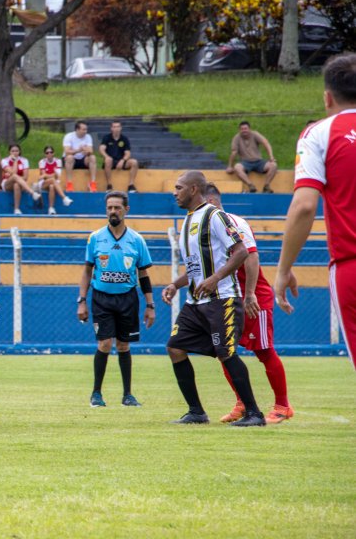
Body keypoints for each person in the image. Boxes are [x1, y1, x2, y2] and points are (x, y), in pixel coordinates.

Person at [161, 170, 265, 426]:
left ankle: (254, 413)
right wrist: (175, 284)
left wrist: (216, 278)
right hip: (195, 302)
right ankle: (196, 411)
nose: (174, 192)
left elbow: (240, 252)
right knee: (175, 347)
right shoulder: (188, 221)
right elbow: (197, 268)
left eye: (179, 187)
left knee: (226, 353)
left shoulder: (215, 216)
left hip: (223, 299)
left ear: (194, 189)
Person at [275, 53, 356, 370]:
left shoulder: (318, 134)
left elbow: (305, 205)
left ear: (327, 97)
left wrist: (283, 269)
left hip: (351, 265)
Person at [203, 183, 293, 423]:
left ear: (210, 203)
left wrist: (250, 294)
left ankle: (283, 406)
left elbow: (251, 256)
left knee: (263, 351)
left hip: (252, 298)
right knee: (224, 351)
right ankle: (241, 403)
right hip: (226, 298)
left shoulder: (234, 222)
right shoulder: (204, 228)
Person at [78, 191, 154, 408]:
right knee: (104, 343)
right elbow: (86, 271)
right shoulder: (95, 238)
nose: (113, 211)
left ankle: (128, 395)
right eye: (109, 207)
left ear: (126, 210)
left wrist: (150, 305)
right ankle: (96, 394)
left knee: (123, 345)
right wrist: (81, 300)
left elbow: (143, 275)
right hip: (101, 297)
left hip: (128, 298)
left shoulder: (137, 240)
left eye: (117, 207)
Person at [227, 121, 277, 193]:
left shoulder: (255, 134)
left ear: (249, 129)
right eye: (242, 129)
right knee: (237, 167)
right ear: (239, 130)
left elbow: (266, 143)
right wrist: (230, 166)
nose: (244, 130)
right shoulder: (236, 138)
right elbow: (234, 152)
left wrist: (271, 157)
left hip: (258, 161)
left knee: (273, 165)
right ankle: (250, 185)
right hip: (245, 162)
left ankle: (267, 186)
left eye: (246, 128)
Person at [99, 121, 140, 193]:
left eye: (118, 127)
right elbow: (101, 149)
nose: (116, 129)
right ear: (111, 128)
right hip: (110, 162)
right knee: (108, 160)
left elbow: (128, 153)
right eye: (114, 127)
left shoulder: (124, 139)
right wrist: (106, 156)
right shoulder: (106, 138)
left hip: (121, 161)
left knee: (134, 162)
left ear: (121, 128)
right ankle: (109, 185)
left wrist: (123, 160)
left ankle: (131, 186)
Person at [0, 144, 42, 214]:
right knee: (14, 177)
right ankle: (32, 193)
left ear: (19, 152)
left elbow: (25, 177)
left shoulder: (24, 160)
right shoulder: (4, 161)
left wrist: (15, 178)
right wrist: (15, 161)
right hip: (7, 183)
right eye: (12, 151)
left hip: (20, 184)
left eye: (16, 151)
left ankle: (16, 209)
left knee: (16, 184)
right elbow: (13, 173)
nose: (15, 153)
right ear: (9, 152)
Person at [63, 121, 98, 193]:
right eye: (83, 129)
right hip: (72, 160)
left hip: (83, 159)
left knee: (93, 157)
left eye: (86, 129)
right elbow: (67, 151)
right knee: (69, 157)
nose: (85, 131)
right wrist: (78, 150)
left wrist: (87, 151)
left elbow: (90, 151)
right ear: (77, 129)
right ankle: (69, 183)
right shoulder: (69, 136)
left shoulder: (88, 137)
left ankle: (93, 183)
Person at [37, 145, 73, 215]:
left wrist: (47, 175)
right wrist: (51, 175)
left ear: (53, 153)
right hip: (44, 183)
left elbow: (57, 175)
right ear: (45, 154)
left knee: (52, 186)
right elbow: (44, 177)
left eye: (51, 152)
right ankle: (64, 198)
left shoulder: (58, 161)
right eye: (47, 153)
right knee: (52, 180)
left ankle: (51, 208)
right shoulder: (42, 162)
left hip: (54, 183)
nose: (49, 154)